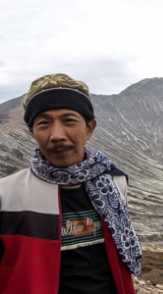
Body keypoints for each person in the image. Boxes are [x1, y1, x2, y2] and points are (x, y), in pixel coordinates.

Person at [0, 73, 141, 294]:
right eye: (44, 123)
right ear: (32, 132)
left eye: (69, 121)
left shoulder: (115, 183)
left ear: (90, 127)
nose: (57, 135)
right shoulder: (6, 195)